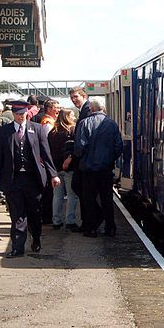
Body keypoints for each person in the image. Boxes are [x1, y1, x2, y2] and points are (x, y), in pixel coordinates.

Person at [0, 101, 60, 257]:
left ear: (27, 113)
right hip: (13, 179)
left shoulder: (38, 129)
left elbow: (46, 154)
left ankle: (36, 238)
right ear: (13, 114)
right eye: (17, 114)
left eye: (23, 114)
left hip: (33, 179)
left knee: (34, 213)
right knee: (17, 214)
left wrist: (53, 174)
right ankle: (17, 247)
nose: (20, 117)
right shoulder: (4, 132)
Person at [74, 97, 123, 237]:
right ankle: (110, 227)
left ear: (92, 109)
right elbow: (118, 146)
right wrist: (110, 159)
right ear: (103, 108)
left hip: (89, 169)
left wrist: (82, 158)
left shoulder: (84, 123)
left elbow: (79, 147)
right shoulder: (112, 124)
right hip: (106, 168)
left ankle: (92, 228)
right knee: (107, 199)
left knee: (89, 199)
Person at [49, 109, 79, 230]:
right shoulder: (72, 131)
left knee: (57, 195)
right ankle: (70, 221)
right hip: (69, 167)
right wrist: (69, 158)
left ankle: (56, 221)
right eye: (72, 115)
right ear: (67, 117)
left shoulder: (52, 132)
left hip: (55, 168)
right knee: (72, 195)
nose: (74, 118)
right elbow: (75, 147)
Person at [68, 86, 91, 232]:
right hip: (83, 158)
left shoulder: (87, 110)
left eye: (76, 96)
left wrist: (74, 156)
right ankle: (87, 222)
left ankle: (89, 221)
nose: (74, 100)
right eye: (72, 97)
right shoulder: (84, 109)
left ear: (84, 96)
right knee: (80, 189)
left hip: (85, 159)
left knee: (82, 189)